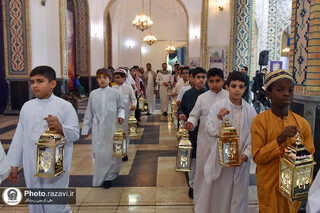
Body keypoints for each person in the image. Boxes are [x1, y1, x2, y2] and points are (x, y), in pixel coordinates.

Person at [7, 66, 80, 213]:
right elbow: (20, 136)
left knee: (56, 206)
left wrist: (60, 127)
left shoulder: (65, 106)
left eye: (40, 81)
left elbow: (75, 134)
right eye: (32, 81)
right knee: (35, 204)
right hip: (31, 164)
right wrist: (14, 165)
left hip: (55, 165)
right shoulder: (27, 107)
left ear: (52, 84)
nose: (34, 85)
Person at [251, 69, 315, 213]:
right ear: (269, 94)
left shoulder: (302, 123)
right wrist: (280, 139)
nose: (286, 93)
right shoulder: (260, 121)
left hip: (292, 188)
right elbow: (258, 157)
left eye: (290, 90)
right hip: (269, 184)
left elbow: (309, 156)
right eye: (280, 90)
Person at [203, 71, 256, 213]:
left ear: (245, 88)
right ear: (227, 87)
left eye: (241, 86)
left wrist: (246, 155)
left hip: (241, 162)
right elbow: (209, 130)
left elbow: (255, 137)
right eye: (233, 86)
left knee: (238, 198)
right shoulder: (217, 107)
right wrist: (219, 118)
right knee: (220, 196)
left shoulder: (251, 111)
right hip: (221, 160)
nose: (237, 89)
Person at [184, 68, 228, 211]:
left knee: (222, 172)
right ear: (207, 82)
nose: (214, 84)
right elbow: (194, 115)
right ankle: (202, 203)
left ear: (223, 81)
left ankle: (219, 203)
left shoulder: (228, 97)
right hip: (204, 140)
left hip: (223, 141)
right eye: (211, 81)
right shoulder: (202, 98)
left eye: (217, 81)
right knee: (203, 171)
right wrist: (191, 122)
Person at [81, 68, 125, 189]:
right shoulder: (93, 94)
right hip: (98, 128)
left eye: (104, 78)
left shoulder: (115, 93)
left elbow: (121, 107)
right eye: (99, 78)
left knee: (111, 153)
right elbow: (89, 113)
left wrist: (121, 116)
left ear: (109, 79)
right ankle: (101, 176)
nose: (102, 80)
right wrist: (85, 129)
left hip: (112, 127)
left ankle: (109, 177)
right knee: (98, 153)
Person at [177, 67, 207, 199]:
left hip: (206, 131)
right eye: (198, 77)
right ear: (192, 79)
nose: (201, 80)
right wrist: (182, 114)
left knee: (205, 159)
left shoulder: (208, 94)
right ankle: (193, 185)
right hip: (192, 130)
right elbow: (181, 107)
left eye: (203, 77)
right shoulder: (188, 94)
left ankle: (204, 185)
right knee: (193, 159)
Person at [113, 68, 137, 161]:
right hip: (115, 115)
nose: (116, 80)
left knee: (125, 133)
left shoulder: (128, 87)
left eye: (118, 77)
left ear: (124, 78)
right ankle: (117, 150)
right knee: (115, 132)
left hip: (126, 114)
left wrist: (134, 105)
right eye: (115, 78)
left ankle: (124, 151)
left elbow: (133, 99)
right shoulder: (113, 88)